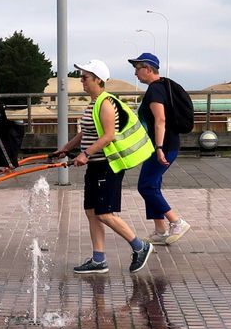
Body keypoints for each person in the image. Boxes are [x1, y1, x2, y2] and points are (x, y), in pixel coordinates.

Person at [53, 59, 153, 274]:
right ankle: (99, 259)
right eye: (82, 77)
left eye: (85, 77)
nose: (82, 81)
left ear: (98, 79)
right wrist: (66, 148)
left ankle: (140, 246)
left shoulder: (106, 102)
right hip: (95, 166)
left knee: (104, 213)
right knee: (91, 212)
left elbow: (108, 136)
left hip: (107, 166)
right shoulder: (95, 102)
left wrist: (85, 154)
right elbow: (87, 132)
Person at [128, 52, 190, 245]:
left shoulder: (155, 90)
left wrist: (159, 147)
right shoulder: (164, 84)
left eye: (137, 69)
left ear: (148, 69)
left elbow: (160, 120)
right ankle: (160, 230)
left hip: (163, 145)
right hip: (162, 145)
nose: (135, 74)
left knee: (146, 186)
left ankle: (176, 222)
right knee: (152, 185)